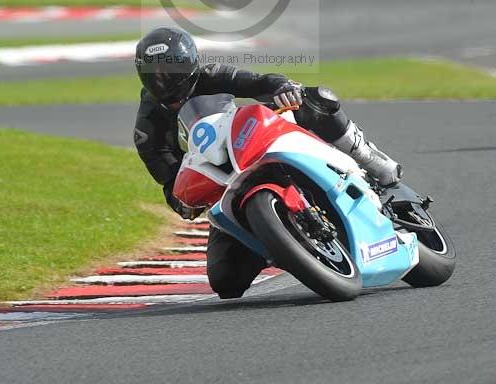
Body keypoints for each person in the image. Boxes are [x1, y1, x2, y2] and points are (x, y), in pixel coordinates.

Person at [133, 26, 402, 300]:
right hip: (224, 185)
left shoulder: (211, 75)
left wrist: (283, 88)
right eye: (154, 75)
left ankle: (368, 158)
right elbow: (170, 183)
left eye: (171, 70)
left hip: (252, 143)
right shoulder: (147, 130)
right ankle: (280, 242)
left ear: (190, 62)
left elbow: (260, 82)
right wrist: (185, 201)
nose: (164, 80)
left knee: (313, 98)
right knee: (225, 281)